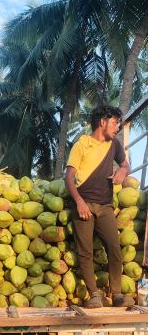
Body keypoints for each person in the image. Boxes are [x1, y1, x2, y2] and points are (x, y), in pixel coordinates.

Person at [65, 104, 135, 309]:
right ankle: (94, 295)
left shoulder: (114, 145)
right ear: (102, 122)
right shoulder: (82, 144)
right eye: (114, 123)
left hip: (105, 206)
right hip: (83, 205)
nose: (117, 128)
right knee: (85, 251)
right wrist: (79, 202)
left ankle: (117, 294)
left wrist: (123, 170)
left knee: (114, 247)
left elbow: (125, 165)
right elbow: (68, 176)